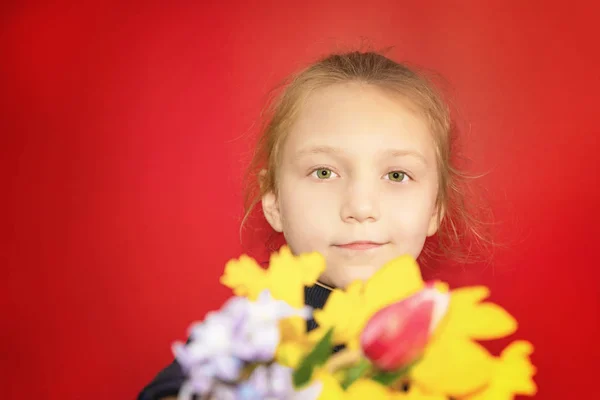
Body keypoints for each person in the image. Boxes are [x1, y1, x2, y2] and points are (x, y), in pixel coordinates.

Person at [138, 50, 490, 400]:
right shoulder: (250, 337)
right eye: (324, 172)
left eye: (397, 175)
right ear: (274, 201)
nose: (360, 207)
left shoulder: (451, 351)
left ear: (435, 209)